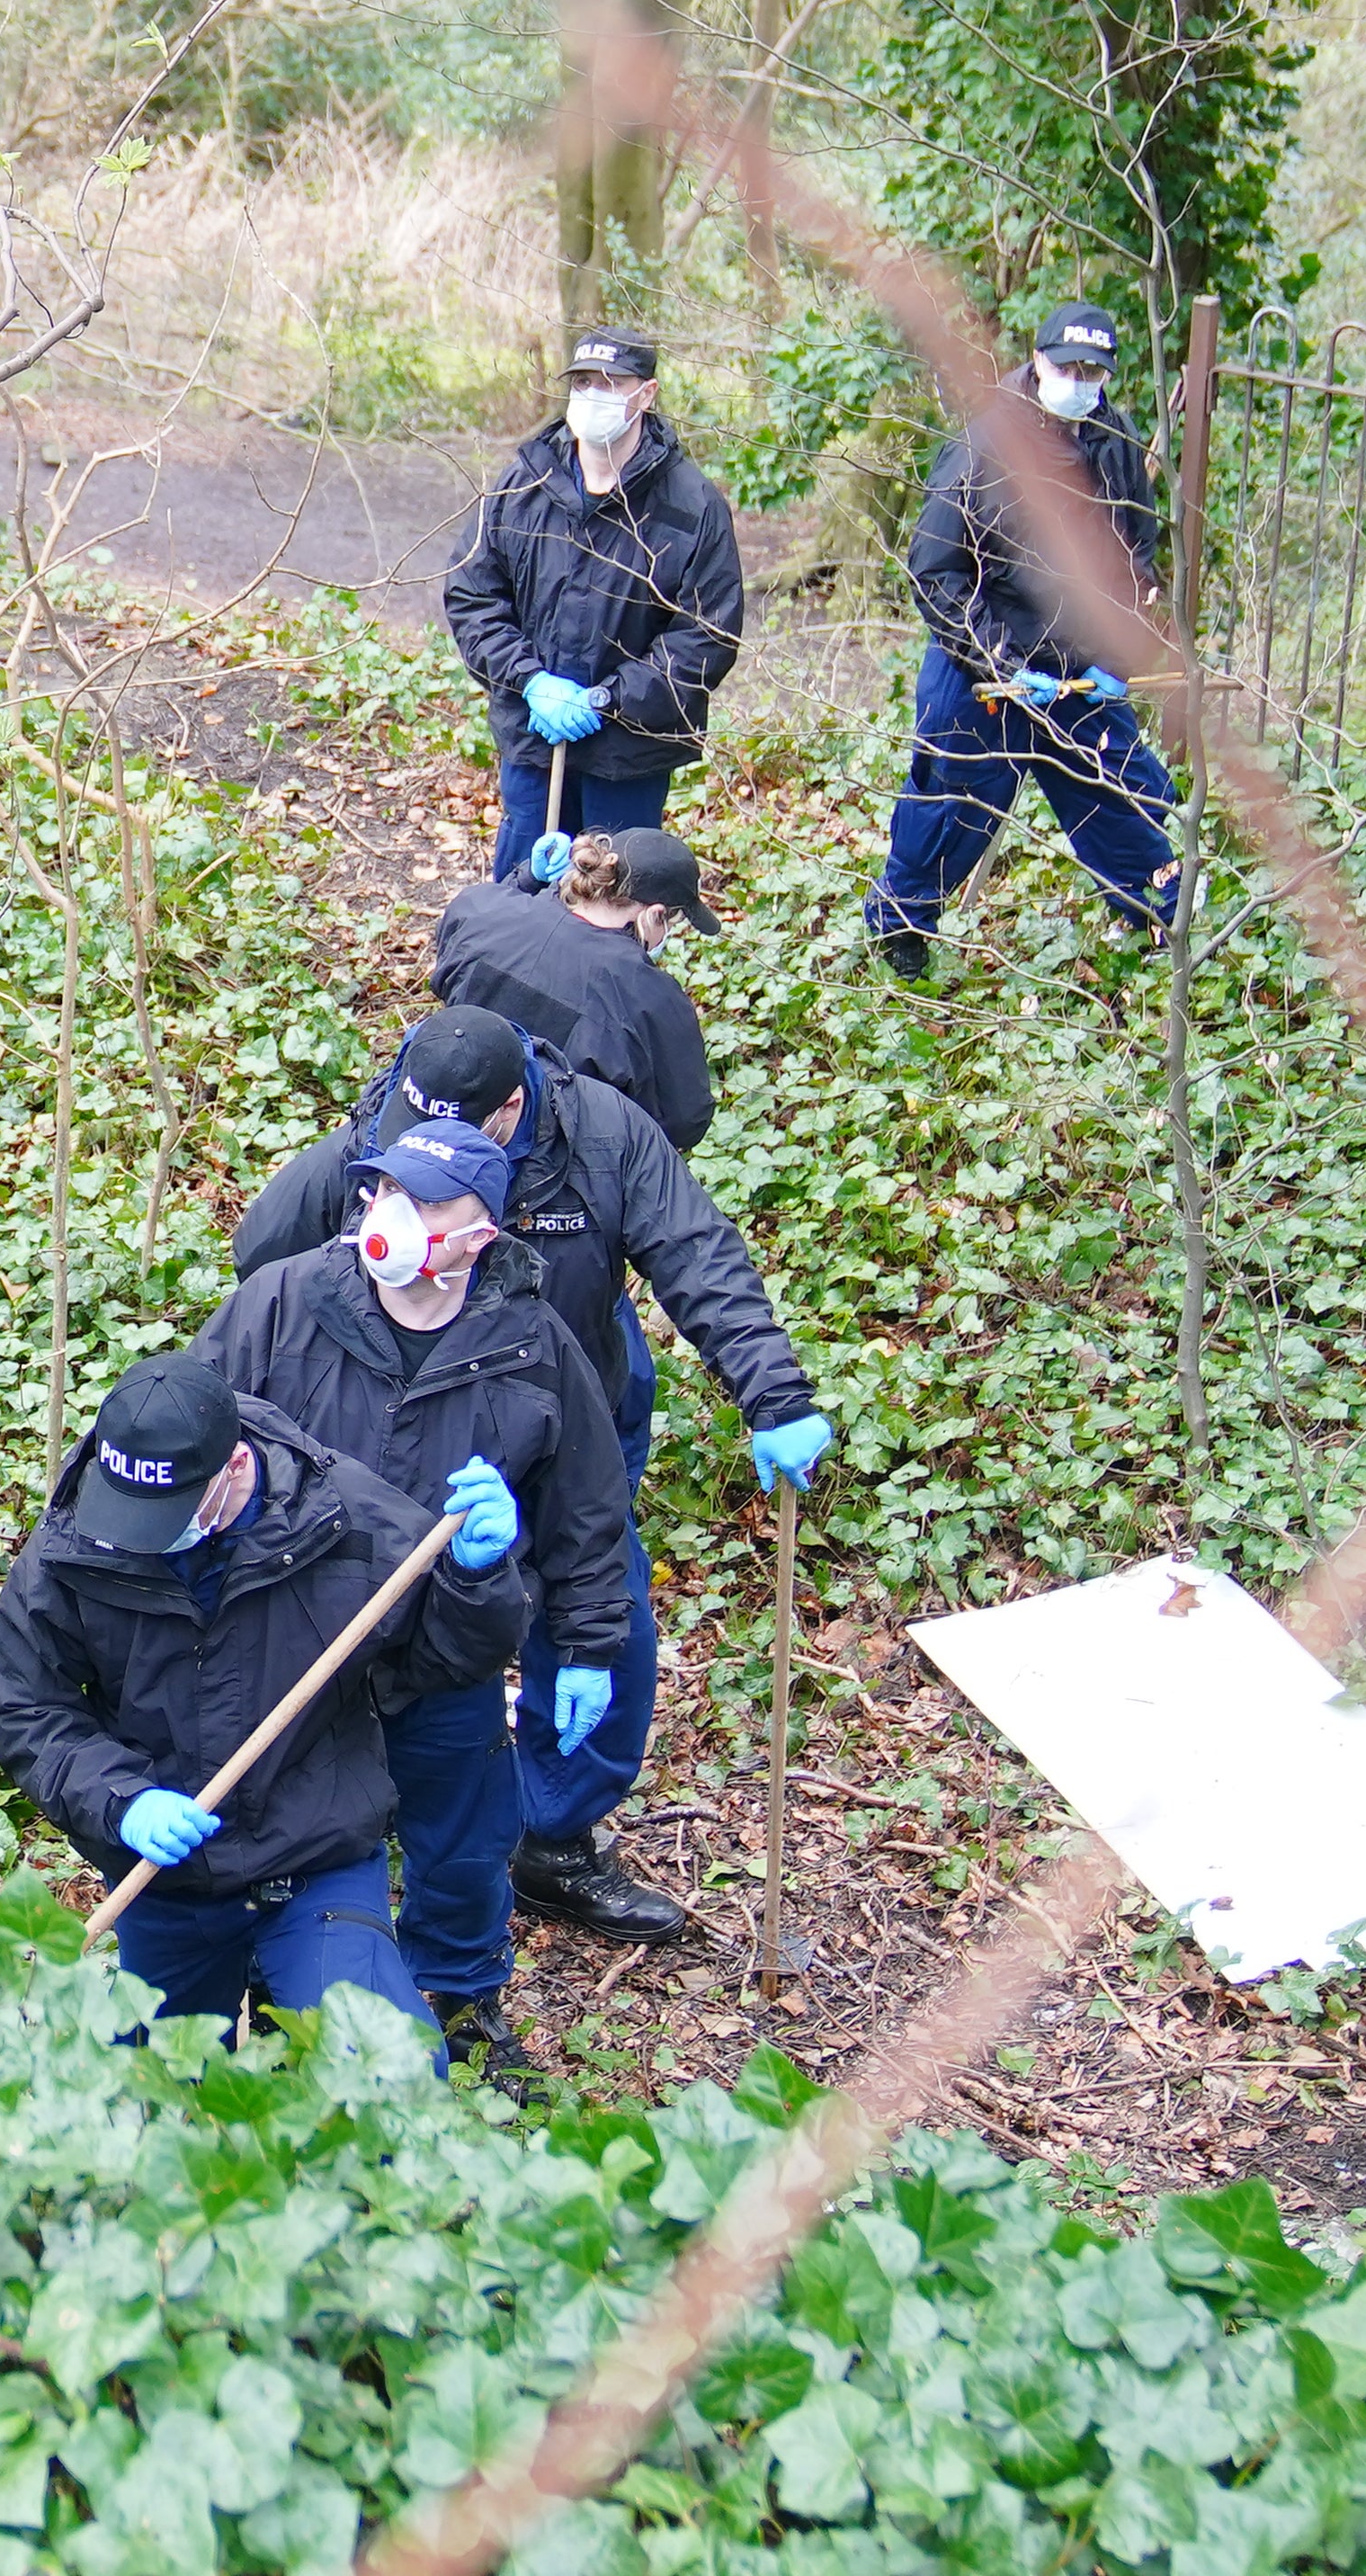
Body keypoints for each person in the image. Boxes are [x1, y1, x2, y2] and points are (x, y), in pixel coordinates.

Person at [231, 1002, 833, 1945]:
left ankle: (551, 1834)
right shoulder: (385, 1130)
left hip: (562, 1413)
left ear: (511, 1108)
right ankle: (357, 1805)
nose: (424, 1163)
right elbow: (262, 1258)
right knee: (373, 1622)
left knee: (600, 1613)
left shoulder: (600, 1136)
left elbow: (697, 1253)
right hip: (387, 1426)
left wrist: (775, 1392)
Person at [197, 1115, 623, 2080]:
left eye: (431, 1203)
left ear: (484, 1234)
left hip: (445, 1651)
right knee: (286, 1837)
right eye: (388, 1190)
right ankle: (282, 2007)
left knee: (464, 1844)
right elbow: (197, 1443)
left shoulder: (534, 1348)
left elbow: (588, 1513)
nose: (399, 1215)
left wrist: (590, 1645)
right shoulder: (281, 1306)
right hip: (294, 1648)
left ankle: (465, 1999)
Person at [0, 1349, 526, 2036]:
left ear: (235, 1465)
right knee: (145, 2103)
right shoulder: (75, 1541)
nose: (145, 1537)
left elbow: (447, 1660)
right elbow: (23, 1706)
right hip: (165, 1876)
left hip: (314, 1857)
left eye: (170, 1510)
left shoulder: (343, 1516)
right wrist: (122, 1800)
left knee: (382, 2076)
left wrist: (475, 1579)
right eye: (133, 1511)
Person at [868, 299, 1183, 980]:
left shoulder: (1115, 445)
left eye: (1093, 372)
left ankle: (1160, 919)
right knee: (953, 804)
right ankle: (902, 925)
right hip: (981, 665)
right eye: (1067, 366)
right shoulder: (984, 447)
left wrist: (1119, 657)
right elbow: (937, 571)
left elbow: (1137, 559)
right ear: (1037, 362)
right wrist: (1000, 664)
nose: (1079, 381)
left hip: (1078, 671)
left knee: (1119, 792)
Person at [442, 324, 745, 878]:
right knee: (523, 894)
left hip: (630, 754)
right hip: (536, 740)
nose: (593, 394)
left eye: (610, 382)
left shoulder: (691, 506)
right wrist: (530, 680)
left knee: (615, 898)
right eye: (582, 381)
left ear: (646, 395)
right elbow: (472, 592)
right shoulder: (523, 485)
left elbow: (706, 634)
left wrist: (608, 699)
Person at [432, 825, 712, 1154]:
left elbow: (453, 952)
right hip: (560, 1160)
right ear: (655, 915)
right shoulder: (650, 996)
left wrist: (526, 880)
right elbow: (685, 1120)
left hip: (447, 1110)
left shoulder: (479, 909)